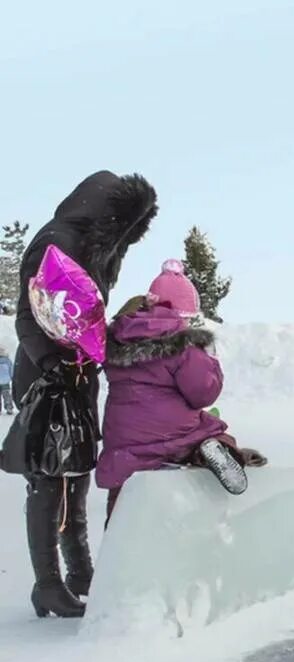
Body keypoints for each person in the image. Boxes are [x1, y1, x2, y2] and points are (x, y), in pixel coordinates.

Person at [12, 171, 157, 618]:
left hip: (77, 376)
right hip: (46, 378)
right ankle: (47, 584)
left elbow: (83, 313)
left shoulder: (101, 247)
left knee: (76, 475)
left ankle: (79, 571)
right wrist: (53, 366)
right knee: (48, 478)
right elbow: (27, 317)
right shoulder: (57, 240)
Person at [97, 260, 265, 523]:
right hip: (173, 433)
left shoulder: (118, 336)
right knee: (209, 431)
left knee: (121, 498)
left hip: (124, 440)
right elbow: (203, 393)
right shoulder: (182, 343)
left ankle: (116, 532)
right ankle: (218, 450)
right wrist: (211, 362)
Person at [0, 346, 14, 415]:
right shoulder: (7, 360)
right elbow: (11, 369)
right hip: (5, 381)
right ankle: (9, 407)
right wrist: (12, 377)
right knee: (6, 395)